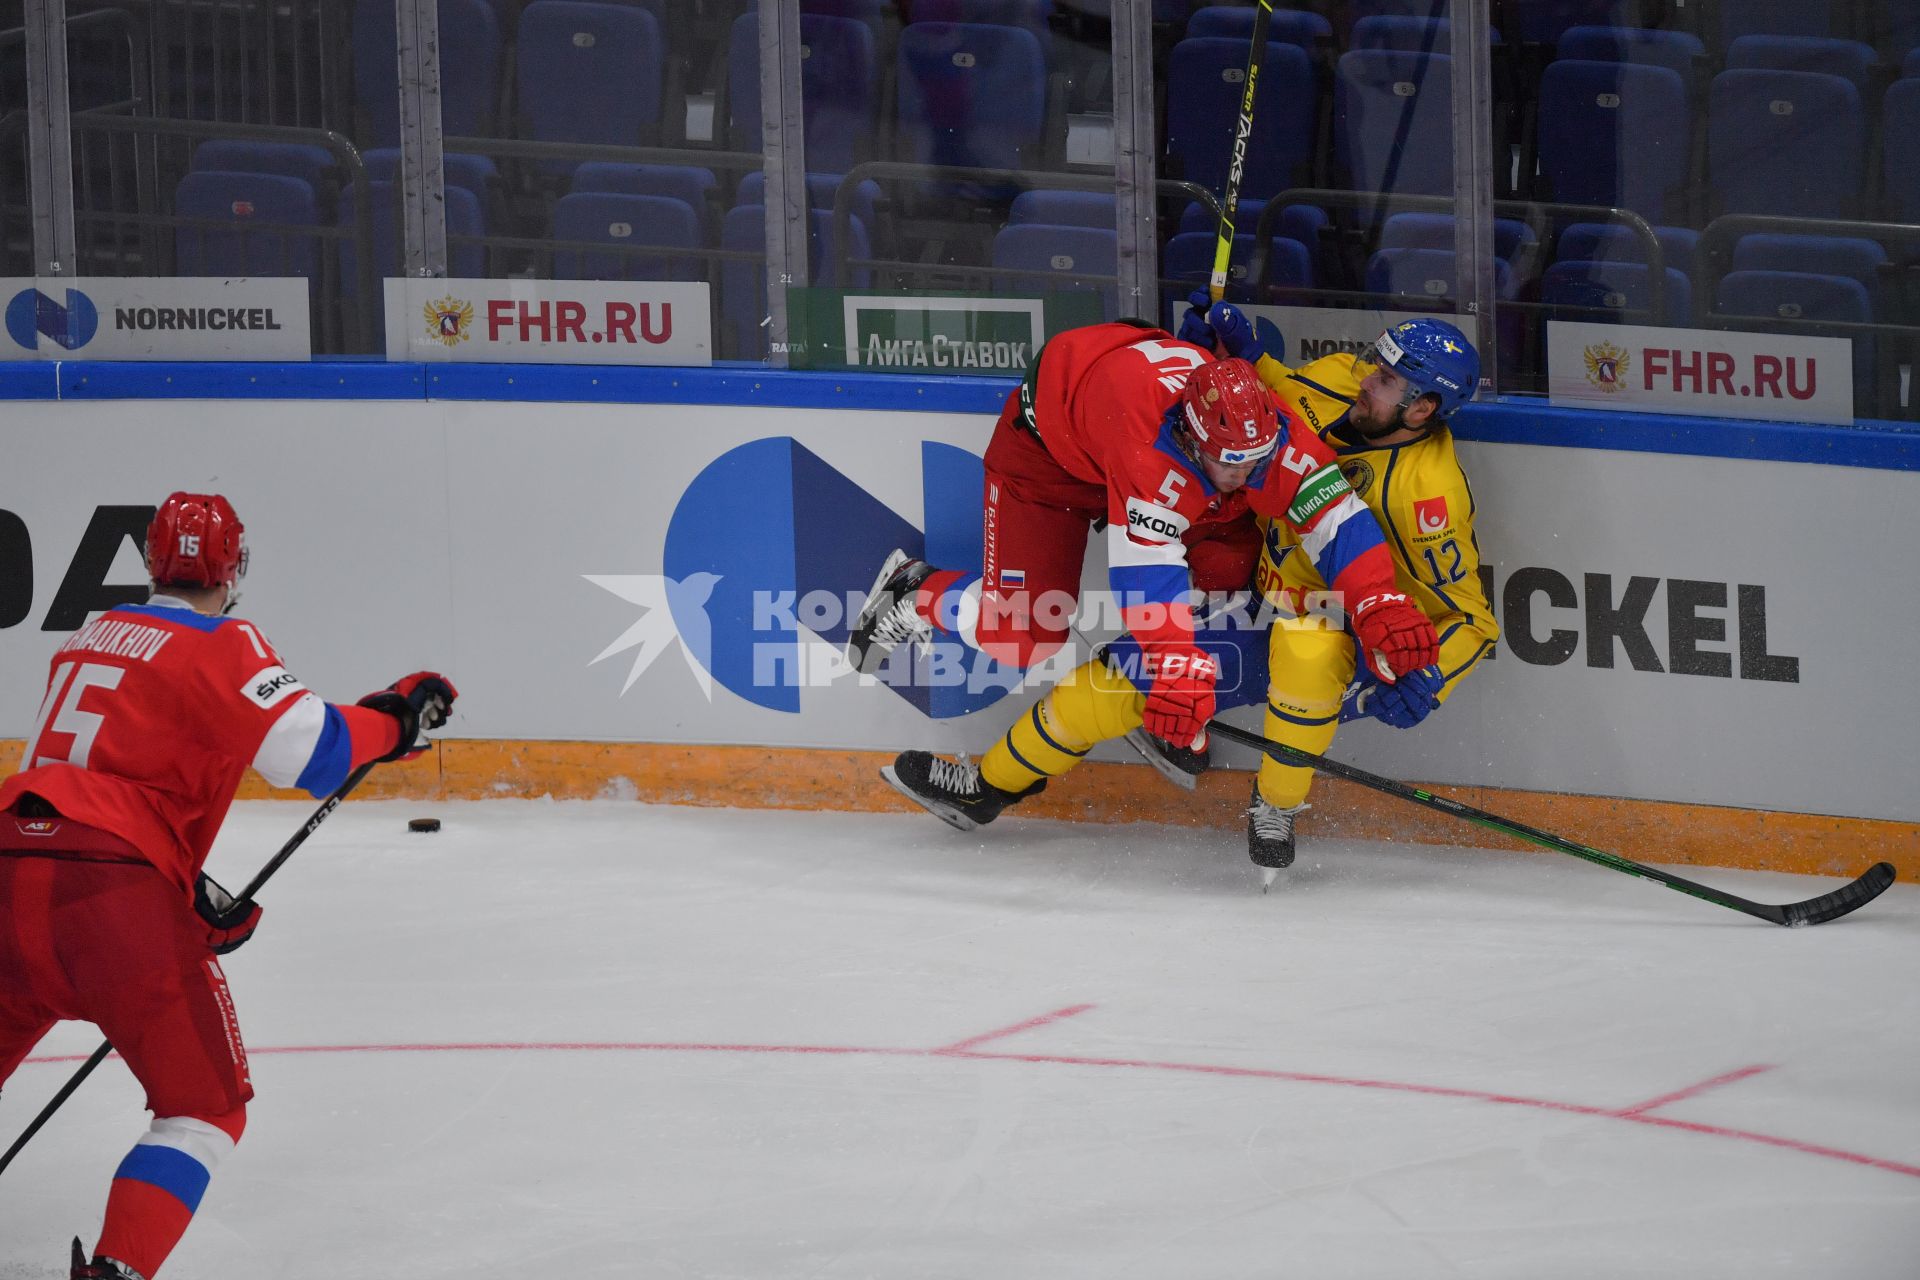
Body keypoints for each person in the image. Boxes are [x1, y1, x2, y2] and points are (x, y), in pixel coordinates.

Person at [0, 493, 457, 1280]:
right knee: (203, 1110)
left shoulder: (87, 636)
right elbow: (309, 756)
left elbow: (99, 785)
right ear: (235, 568)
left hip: (10, 869)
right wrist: (396, 722)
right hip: (112, 899)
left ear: (150, 560)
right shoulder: (222, 640)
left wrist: (183, 891)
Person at [848, 318, 1440, 853]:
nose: (1248, 476)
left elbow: (1336, 518)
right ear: (1190, 437)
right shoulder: (1150, 454)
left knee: (1232, 575)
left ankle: (1179, 719)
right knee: (1023, 636)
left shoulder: (1263, 441)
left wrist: (1376, 601)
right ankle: (916, 591)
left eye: (1258, 460)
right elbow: (1148, 578)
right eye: (1234, 463)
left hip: (1131, 405)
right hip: (1051, 459)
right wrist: (1177, 672)